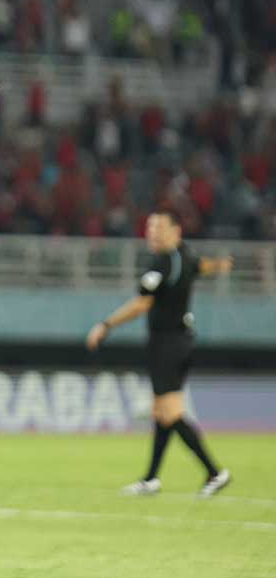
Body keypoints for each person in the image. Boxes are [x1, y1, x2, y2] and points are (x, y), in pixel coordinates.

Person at [85, 209, 233, 497]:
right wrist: (218, 266)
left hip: (168, 344)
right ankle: (151, 479)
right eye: (150, 227)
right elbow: (200, 266)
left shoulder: (163, 263)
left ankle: (215, 472)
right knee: (161, 413)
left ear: (176, 231)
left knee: (170, 412)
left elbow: (142, 304)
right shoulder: (185, 256)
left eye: (159, 227)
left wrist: (106, 325)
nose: (152, 232)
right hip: (180, 341)